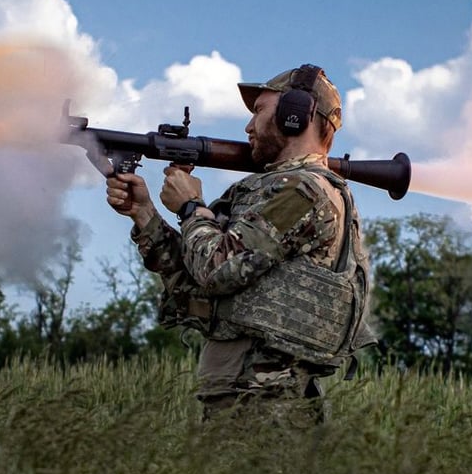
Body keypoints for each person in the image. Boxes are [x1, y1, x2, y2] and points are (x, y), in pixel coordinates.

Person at [105, 64, 373, 423]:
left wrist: (190, 208)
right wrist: (144, 214)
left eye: (259, 111)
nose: (248, 127)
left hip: (265, 403)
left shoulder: (304, 192)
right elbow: (196, 280)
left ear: (295, 115)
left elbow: (218, 269)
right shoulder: (272, 189)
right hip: (242, 395)